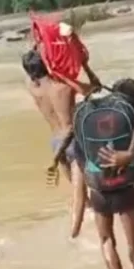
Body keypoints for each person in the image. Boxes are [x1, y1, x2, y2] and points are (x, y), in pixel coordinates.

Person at [70, 78, 134, 269]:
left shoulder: (87, 122)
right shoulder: (130, 126)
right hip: (125, 190)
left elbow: (81, 162)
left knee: (107, 242)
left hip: (98, 191)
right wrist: (130, 153)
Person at [23, 43, 102, 237]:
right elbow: (94, 88)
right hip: (73, 141)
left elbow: (30, 66)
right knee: (80, 196)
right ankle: (74, 234)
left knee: (80, 195)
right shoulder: (64, 86)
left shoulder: (33, 89)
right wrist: (84, 64)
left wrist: (38, 48)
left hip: (56, 143)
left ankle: (88, 229)